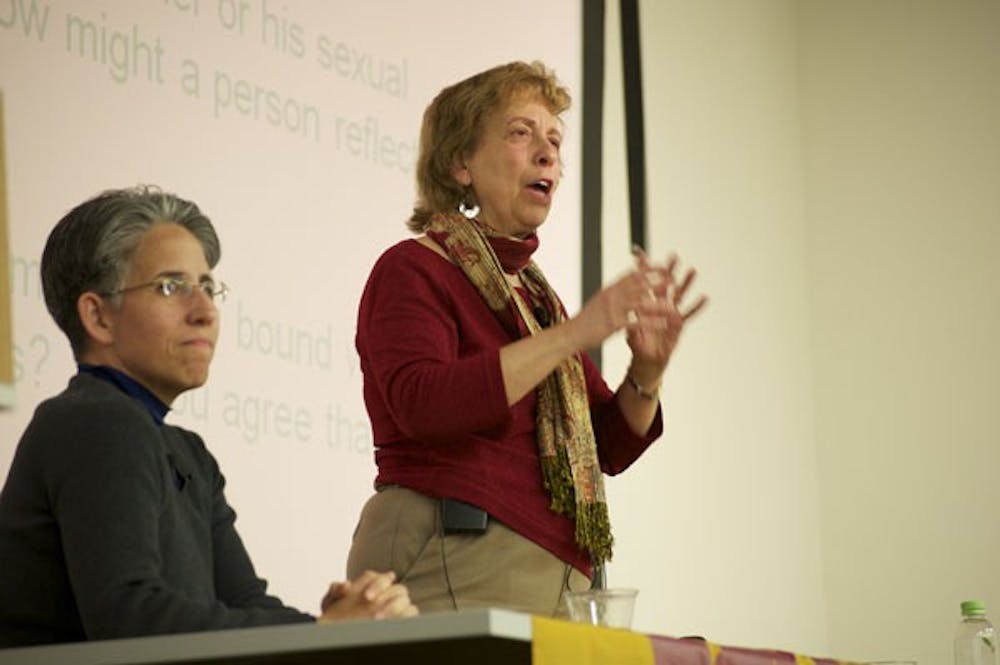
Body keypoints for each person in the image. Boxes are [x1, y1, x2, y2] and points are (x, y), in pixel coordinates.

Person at [346, 61, 708, 616]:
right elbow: (424, 404)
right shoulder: (413, 269)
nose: (548, 155)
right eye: (521, 133)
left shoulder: (534, 300)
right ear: (460, 162)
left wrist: (648, 372)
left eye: (555, 141)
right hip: (454, 553)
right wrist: (577, 332)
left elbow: (607, 445)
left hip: (557, 575)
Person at [0, 186, 417, 648]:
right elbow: (129, 617)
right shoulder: (93, 423)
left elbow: (247, 602)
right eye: (170, 287)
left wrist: (349, 621)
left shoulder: (188, 454)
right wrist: (329, 631)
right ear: (98, 317)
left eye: (207, 286)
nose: (205, 312)